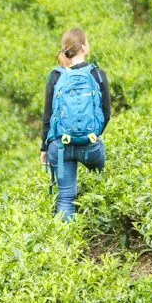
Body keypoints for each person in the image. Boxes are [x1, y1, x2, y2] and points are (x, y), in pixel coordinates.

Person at [40, 28, 111, 221]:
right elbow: (106, 113)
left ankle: (65, 245)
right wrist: (94, 134)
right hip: (90, 146)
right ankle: (102, 229)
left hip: (60, 148)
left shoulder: (55, 76)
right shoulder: (97, 74)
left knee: (65, 199)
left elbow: (48, 116)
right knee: (101, 182)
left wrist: (44, 148)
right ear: (85, 47)